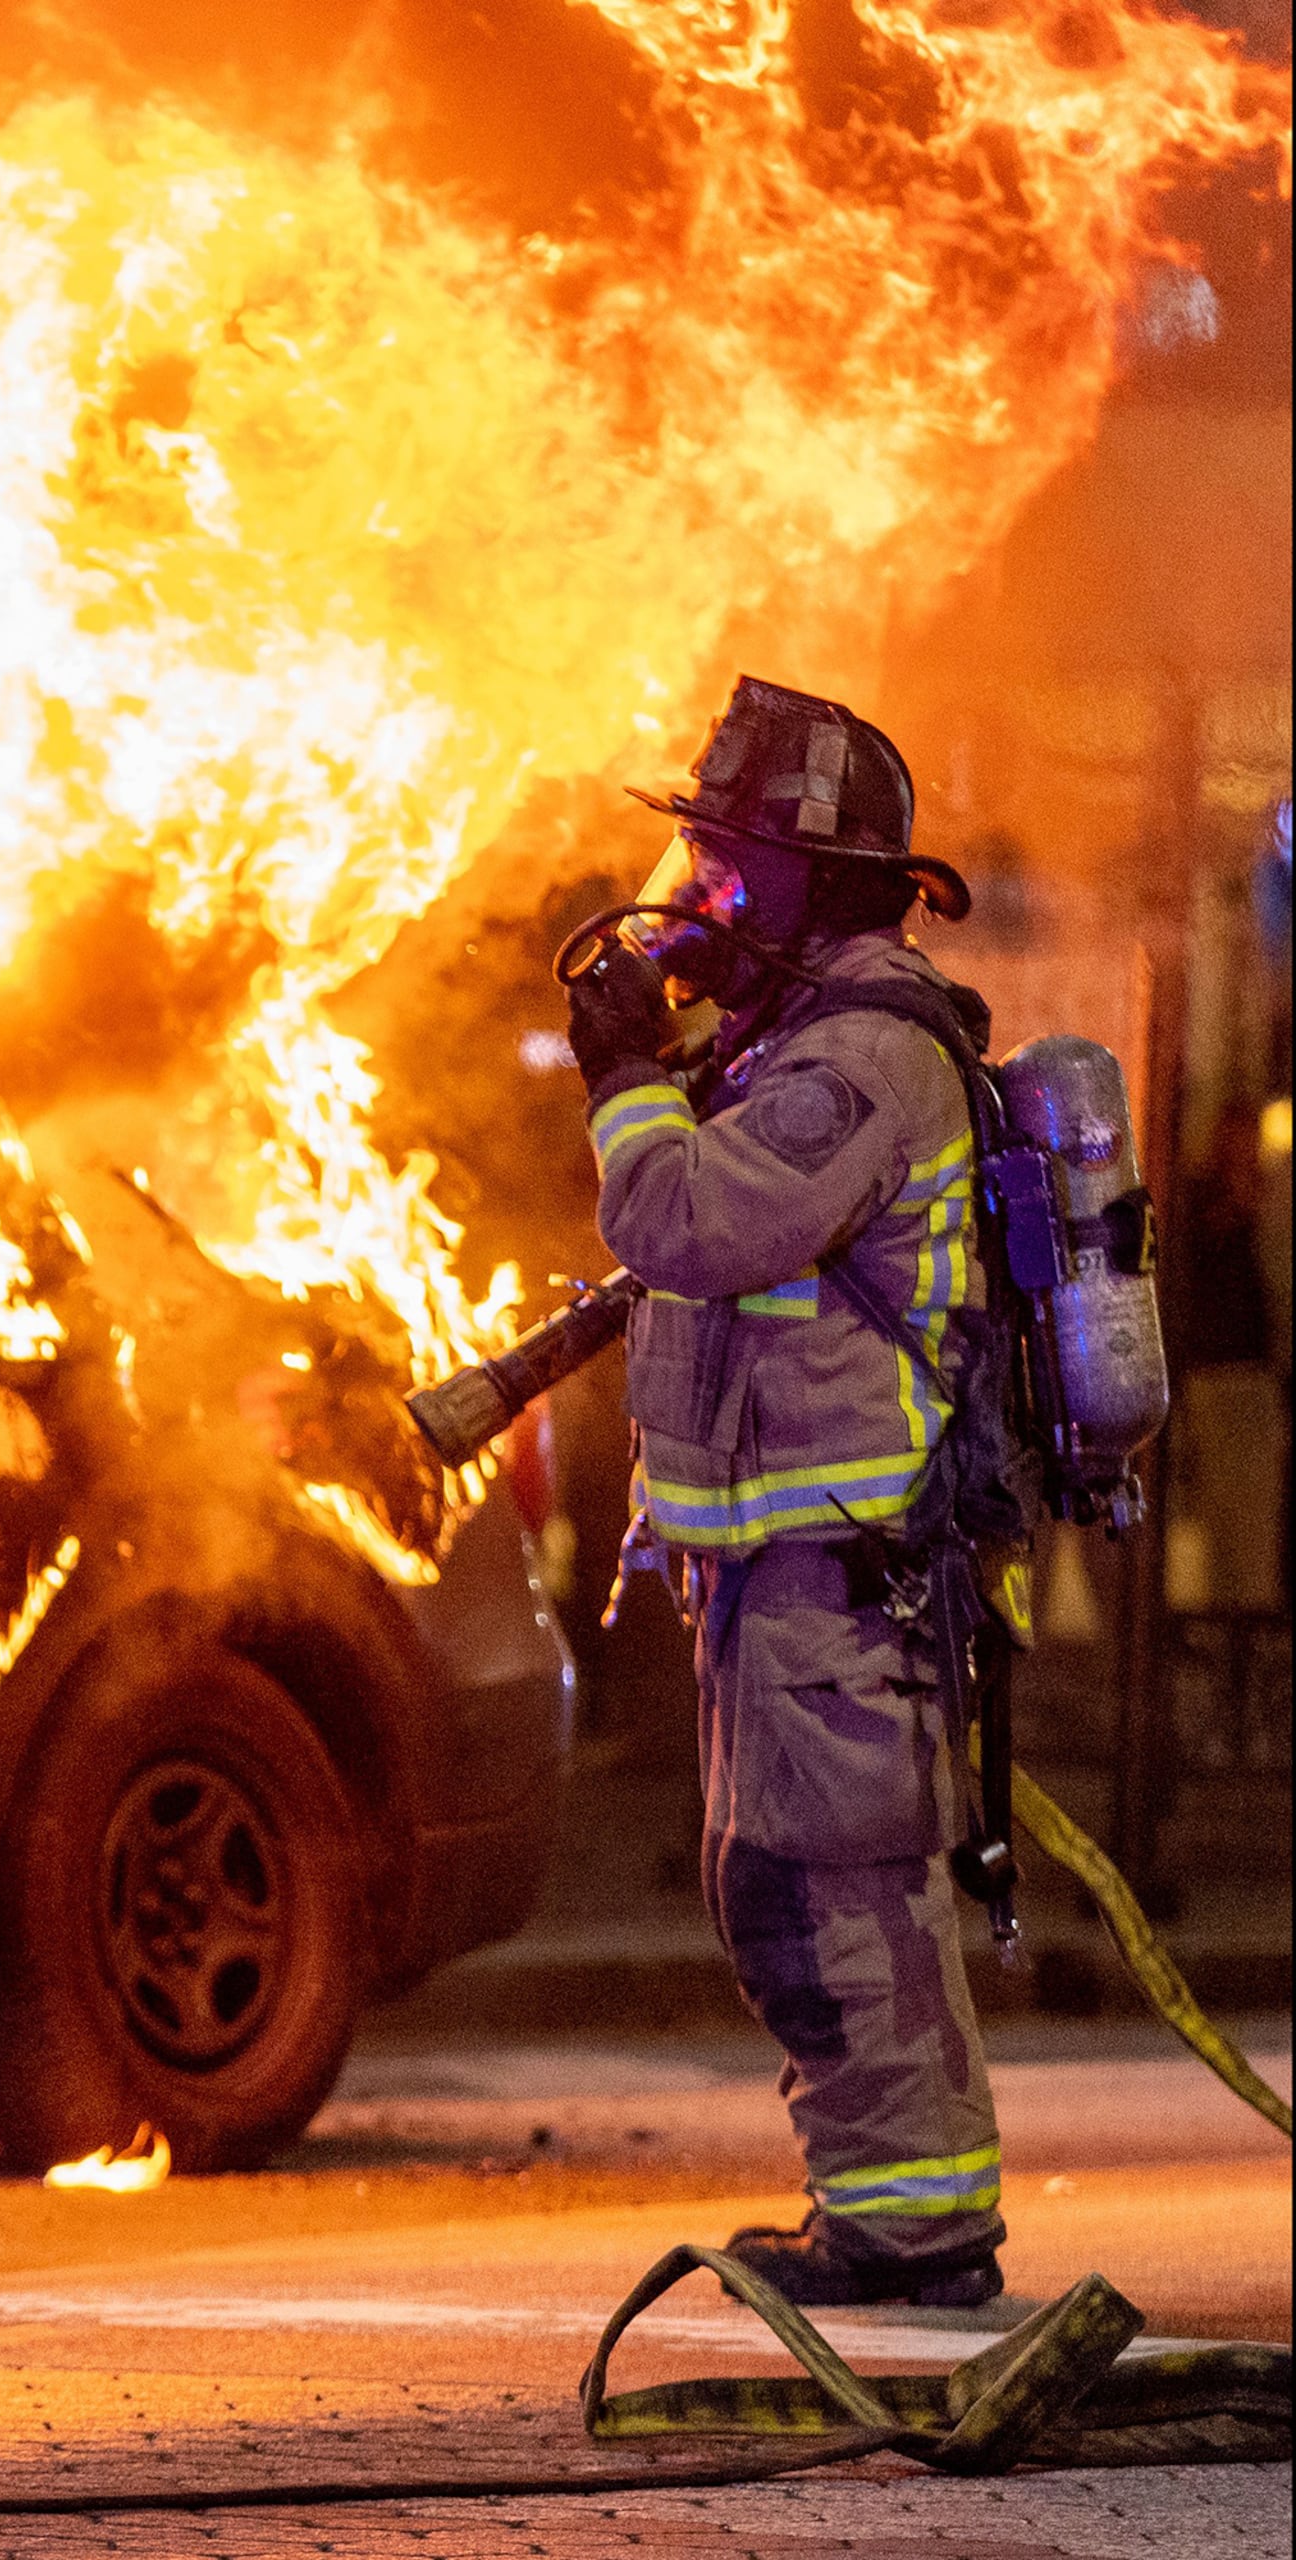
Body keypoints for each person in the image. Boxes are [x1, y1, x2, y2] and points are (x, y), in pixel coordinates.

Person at [565, 674, 1012, 2309]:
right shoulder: (793, 1052)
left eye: (734, 868)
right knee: (800, 1889)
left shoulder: (860, 1065)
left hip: (840, 1572)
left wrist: (622, 1078)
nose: (700, 897)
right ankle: (896, 2214)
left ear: (823, 883)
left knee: (836, 1896)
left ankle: (912, 2231)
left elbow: (695, 1225)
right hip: (787, 1575)